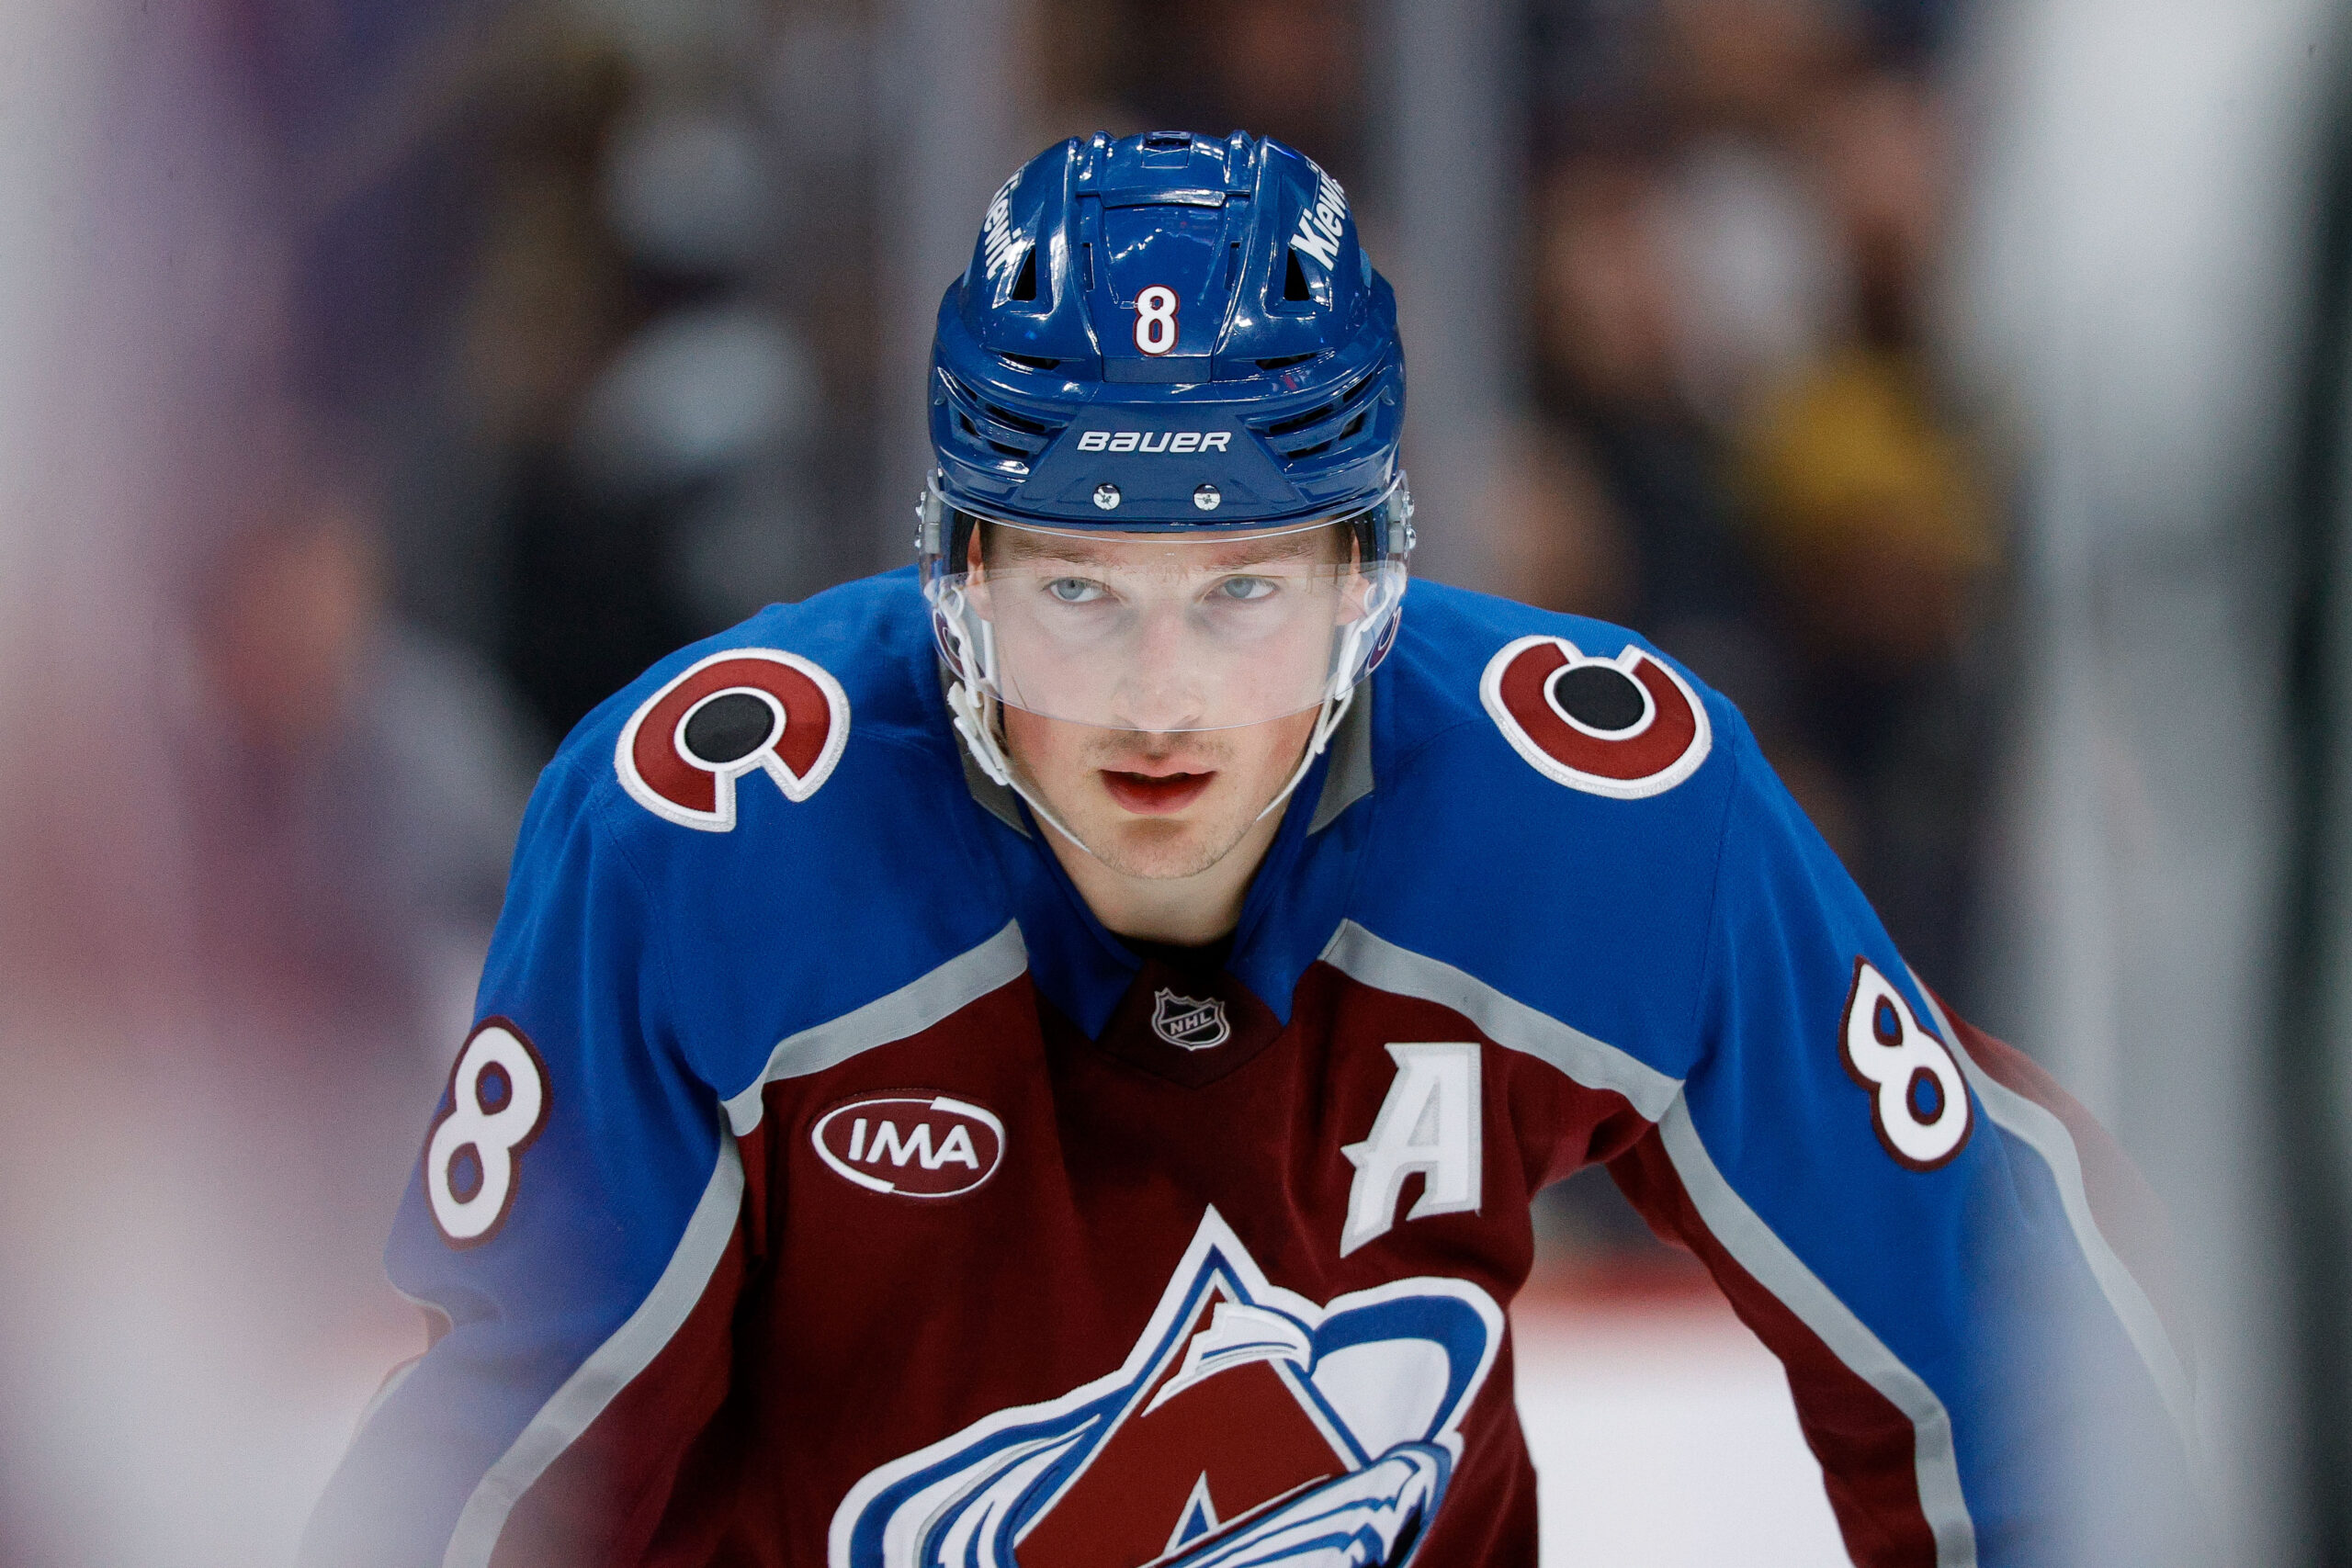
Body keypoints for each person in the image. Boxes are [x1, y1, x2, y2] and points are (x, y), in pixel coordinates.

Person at [303, 130, 2198, 1568]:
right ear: (952, 569)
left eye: (1240, 594)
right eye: (1071, 587)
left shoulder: (1593, 810)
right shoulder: (703, 832)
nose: (1157, 702)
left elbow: (1996, 1316)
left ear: (1369, 580)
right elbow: (495, 1446)